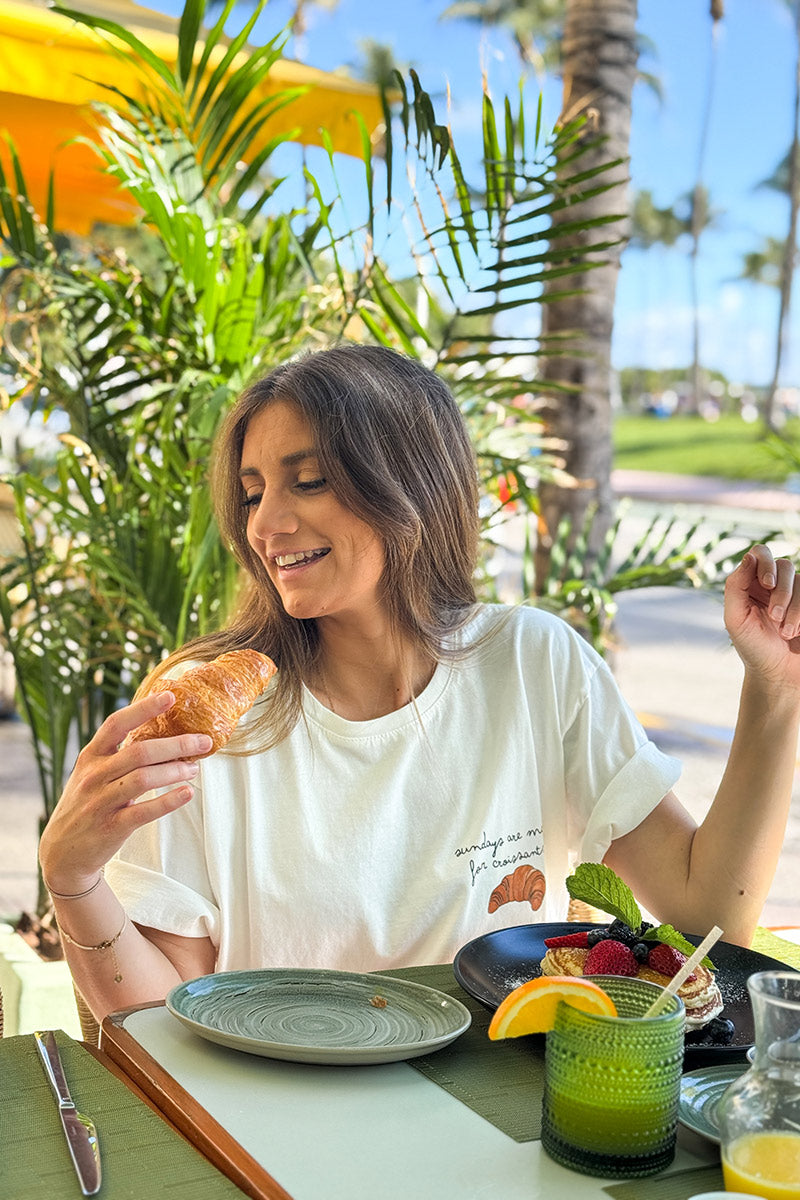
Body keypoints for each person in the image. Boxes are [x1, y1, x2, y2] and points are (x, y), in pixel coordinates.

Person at [38, 344, 800, 1021]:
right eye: (252, 492)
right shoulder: (204, 713)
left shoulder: (535, 664)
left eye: (307, 482)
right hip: (282, 1129)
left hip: (497, 1117)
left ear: (410, 487)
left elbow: (708, 922)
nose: (265, 523)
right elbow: (156, 1017)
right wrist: (73, 880)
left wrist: (776, 689)